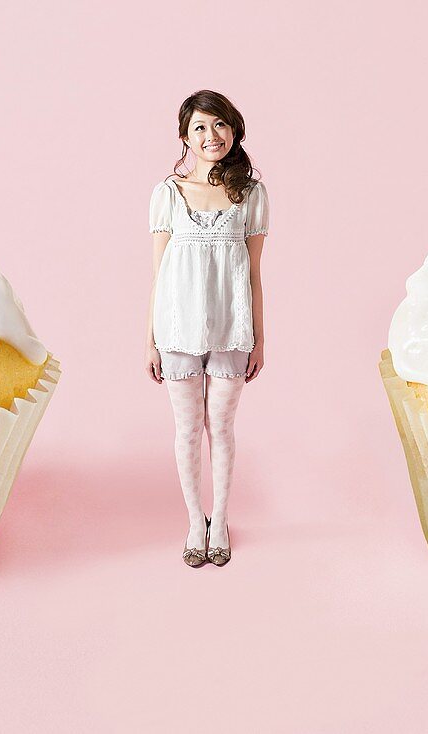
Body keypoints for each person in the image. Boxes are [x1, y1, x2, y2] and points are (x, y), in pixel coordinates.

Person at [145, 89, 269, 567]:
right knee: (187, 429)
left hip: (233, 329)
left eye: (219, 125)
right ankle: (195, 521)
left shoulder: (251, 194)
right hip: (175, 329)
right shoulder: (167, 195)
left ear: (234, 131)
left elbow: (256, 274)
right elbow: (157, 274)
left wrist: (260, 336)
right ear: (184, 137)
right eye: (199, 127)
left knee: (221, 426)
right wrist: (149, 339)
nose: (210, 135)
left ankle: (221, 518)